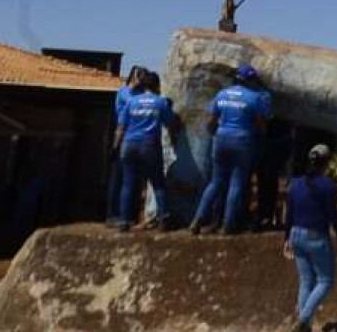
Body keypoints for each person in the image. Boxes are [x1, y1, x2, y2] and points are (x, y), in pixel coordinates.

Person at [190, 63, 272, 235]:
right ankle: (228, 224)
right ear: (250, 80)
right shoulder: (254, 97)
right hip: (242, 140)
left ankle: (197, 219)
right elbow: (260, 124)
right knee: (236, 183)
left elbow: (211, 121)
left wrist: (214, 133)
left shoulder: (222, 94)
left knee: (216, 182)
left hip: (221, 139)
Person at [284, 143, 337, 332]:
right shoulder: (328, 185)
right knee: (326, 281)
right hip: (316, 236)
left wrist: (286, 239)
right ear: (326, 162)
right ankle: (302, 321)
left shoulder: (295, 184)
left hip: (296, 234)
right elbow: (333, 215)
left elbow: (289, 214)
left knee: (306, 282)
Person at [111, 69, 181, 231]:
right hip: (149, 144)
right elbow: (170, 123)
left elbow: (120, 127)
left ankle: (124, 221)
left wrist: (115, 147)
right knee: (157, 182)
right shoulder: (160, 102)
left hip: (129, 144)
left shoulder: (131, 102)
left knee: (128, 183)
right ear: (157, 86)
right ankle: (163, 219)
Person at [105, 64, 147, 226]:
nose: (141, 79)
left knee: (132, 179)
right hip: (123, 137)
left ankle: (129, 214)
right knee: (118, 178)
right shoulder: (125, 93)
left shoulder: (140, 94)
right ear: (132, 76)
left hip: (136, 138)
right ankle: (112, 214)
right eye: (139, 76)